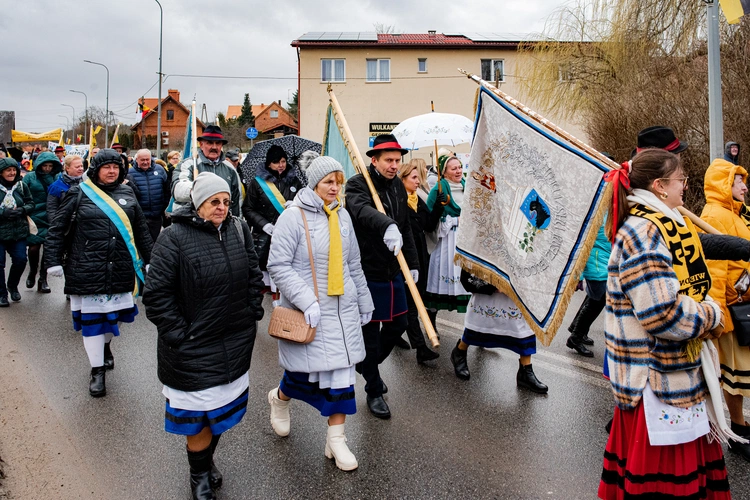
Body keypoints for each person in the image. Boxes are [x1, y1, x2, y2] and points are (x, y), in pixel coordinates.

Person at [598, 149, 730, 499]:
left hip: (671, 376)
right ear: (659, 186)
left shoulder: (661, 223)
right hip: (657, 382)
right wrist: (712, 314)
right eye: (681, 180)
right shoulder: (644, 231)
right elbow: (662, 314)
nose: (685, 187)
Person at [143, 172, 264, 500]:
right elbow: (156, 295)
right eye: (214, 202)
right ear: (198, 205)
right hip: (193, 347)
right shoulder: (174, 237)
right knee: (198, 418)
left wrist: (252, 310)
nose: (222, 208)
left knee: (220, 413)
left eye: (226, 201)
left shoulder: (238, 230)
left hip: (235, 342)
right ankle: (198, 475)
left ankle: (207, 461)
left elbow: (253, 273)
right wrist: (178, 334)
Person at [266, 154, 374, 472]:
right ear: (314, 183)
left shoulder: (341, 217)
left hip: (343, 312)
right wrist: (306, 300)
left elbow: (353, 263)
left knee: (341, 377)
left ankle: (336, 439)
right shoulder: (293, 216)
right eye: (329, 181)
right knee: (302, 376)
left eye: (339, 181)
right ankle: (279, 399)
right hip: (311, 312)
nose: (335, 187)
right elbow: (278, 265)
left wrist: (364, 301)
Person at [45, 149, 153, 398]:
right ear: (96, 169)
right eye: (106, 167)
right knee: (93, 323)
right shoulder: (79, 192)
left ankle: (105, 349)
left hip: (120, 267)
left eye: (116, 167)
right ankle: (97, 371)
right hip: (87, 269)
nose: (112, 171)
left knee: (110, 319)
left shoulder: (128, 192)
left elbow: (141, 231)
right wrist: (52, 261)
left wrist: (151, 260)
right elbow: (57, 228)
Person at [345, 134, 419, 419]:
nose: (394, 165)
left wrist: (411, 263)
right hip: (366, 270)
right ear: (373, 160)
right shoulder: (357, 184)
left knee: (398, 323)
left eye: (398, 160)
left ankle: (366, 365)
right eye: (388, 160)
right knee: (369, 334)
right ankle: (373, 389)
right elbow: (361, 211)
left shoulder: (399, 187)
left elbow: (406, 228)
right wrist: (386, 224)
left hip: (393, 269)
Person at [701, 158, 750, 461]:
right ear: (723, 185)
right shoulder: (714, 216)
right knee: (734, 376)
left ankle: (741, 424)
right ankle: (737, 428)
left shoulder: (740, 214)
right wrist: (726, 307)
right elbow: (716, 272)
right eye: (737, 181)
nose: (744, 186)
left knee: (741, 375)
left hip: (745, 304)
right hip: (735, 308)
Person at [450, 270, 548, 393]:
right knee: (479, 325)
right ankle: (459, 351)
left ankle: (525, 370)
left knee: (521, 327)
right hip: (488, 273)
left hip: (515, 276)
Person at [243, 144, 304, 293]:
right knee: (267, 265)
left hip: (290, 233)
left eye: (283, 161)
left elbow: (304, 201)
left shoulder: (294, 180)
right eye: (276, 162)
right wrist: (264, 225)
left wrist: (297, 204)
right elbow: (247, 208)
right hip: (266, 234)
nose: (281, 165)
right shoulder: (257, 183)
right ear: (269, 163)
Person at [396, 159, 440, 363]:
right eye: (413, 178)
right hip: (404, 258)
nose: (417, 181)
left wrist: (439, 204)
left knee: (412, 301)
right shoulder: (398, 203)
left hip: (421, 254)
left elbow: (429, 224)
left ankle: (394, 334)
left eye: (418, 177)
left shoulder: (416, 199)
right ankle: (421, 347)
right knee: (411, 304)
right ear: (402, 179)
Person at [424, 155, 471, 334]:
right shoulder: (438, 189)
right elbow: (428, 221)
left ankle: (474, 333)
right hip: (446, 243)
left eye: (459, 167)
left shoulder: (468, 186)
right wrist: (447, 217)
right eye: (453, 168)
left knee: (470, 288)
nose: (458, 171)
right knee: (439, 285)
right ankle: (431, 325)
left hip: (464, 243)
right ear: (444, 172)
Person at [172, 125, 242, 216]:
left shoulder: (230, 169)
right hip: (193, 221)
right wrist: (198, 189)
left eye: (218, 143)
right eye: (210, 143)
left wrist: (236, 223)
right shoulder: (188, 165)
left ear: (221, 146)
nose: (214, 147)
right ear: (201, 145)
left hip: (220, 222)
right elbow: (178, 190)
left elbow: (237, 200)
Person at [23, 151, 62, 293]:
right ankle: (33, 272)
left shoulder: (58, 178)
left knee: (48, 250)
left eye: (50, 166)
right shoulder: (29, 177)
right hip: (34, 217)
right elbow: (23, 194)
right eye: (45, 165)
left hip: (51, 217)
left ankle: (43, 279)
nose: (47, 168)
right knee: (33, 248)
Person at [0, 158, 33, 307]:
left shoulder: (21, 185)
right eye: (8, 170)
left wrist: (22, 210)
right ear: (1, 172)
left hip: (18, 231)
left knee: (20, 260)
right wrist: (2, 212)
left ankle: (12, 285)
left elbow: (31, 202)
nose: (12, 173)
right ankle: (2, 294)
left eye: (14, 170)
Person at [128, 149, 169, 244]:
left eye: (148, 159)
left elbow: (167, 190)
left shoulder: (160, 170)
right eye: (142, 160)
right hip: (139, 217)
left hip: (156, 216)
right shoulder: (129, 173)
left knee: (155, 242)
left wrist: (164, 207)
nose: (145, 162)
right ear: (136, 160)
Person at [47, 154, 84, 224]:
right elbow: (52, 209)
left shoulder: (87, 184)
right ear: (67, 168)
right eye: (77, 167)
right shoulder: (56, 187)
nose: (81, 169)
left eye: (81, 166)